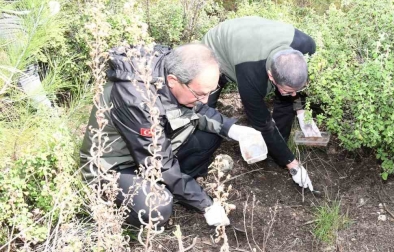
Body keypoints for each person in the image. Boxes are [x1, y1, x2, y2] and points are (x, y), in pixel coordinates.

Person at [79, 43, 265, 227]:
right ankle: (129, 207)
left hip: (148, 149)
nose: (205, 100)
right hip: (114, 164)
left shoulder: (170, 72)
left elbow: (199, 109)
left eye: (210, 92)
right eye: (200, 93)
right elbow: (158, 162)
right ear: (173, 81)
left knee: (212, 134)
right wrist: (206, 204)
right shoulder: (136, 99)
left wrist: (234, 130)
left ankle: (174, 187)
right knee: (157, 208)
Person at [202, 16, 320, 192]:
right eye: (289, 90)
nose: (294, 95)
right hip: (219, 49)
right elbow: (263, 124)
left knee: (286, 101)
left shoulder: (307, 48)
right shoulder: (251, 78)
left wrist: (302, 114)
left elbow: (295, 89)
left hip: (255, 41)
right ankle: (197, 167)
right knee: (203, 111)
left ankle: (275, 154)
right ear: (271, 77)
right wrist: (294, 165)